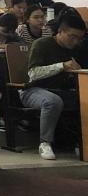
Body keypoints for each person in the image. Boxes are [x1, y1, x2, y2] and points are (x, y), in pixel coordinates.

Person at [19, 11, 86, 160]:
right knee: (53, 101)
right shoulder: (42, 44)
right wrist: (62, 66)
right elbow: (33, 74)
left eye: (79, 38)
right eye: (72, 37)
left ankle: (81, 142)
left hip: (60, 90)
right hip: (32, 90)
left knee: (84, 98)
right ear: (60, 31)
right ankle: (45, 143)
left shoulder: (76, 49)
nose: (75, 41)